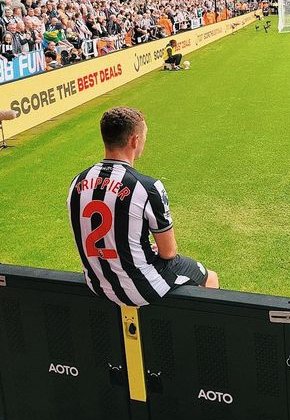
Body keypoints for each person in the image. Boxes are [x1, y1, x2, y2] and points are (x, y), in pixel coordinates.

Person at [67, 107, 219, 307]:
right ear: (134, 140)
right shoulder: (147, 187)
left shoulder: (78, 182)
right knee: (211, 278)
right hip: (140, 288)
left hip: (97, 283)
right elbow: (169, 252)